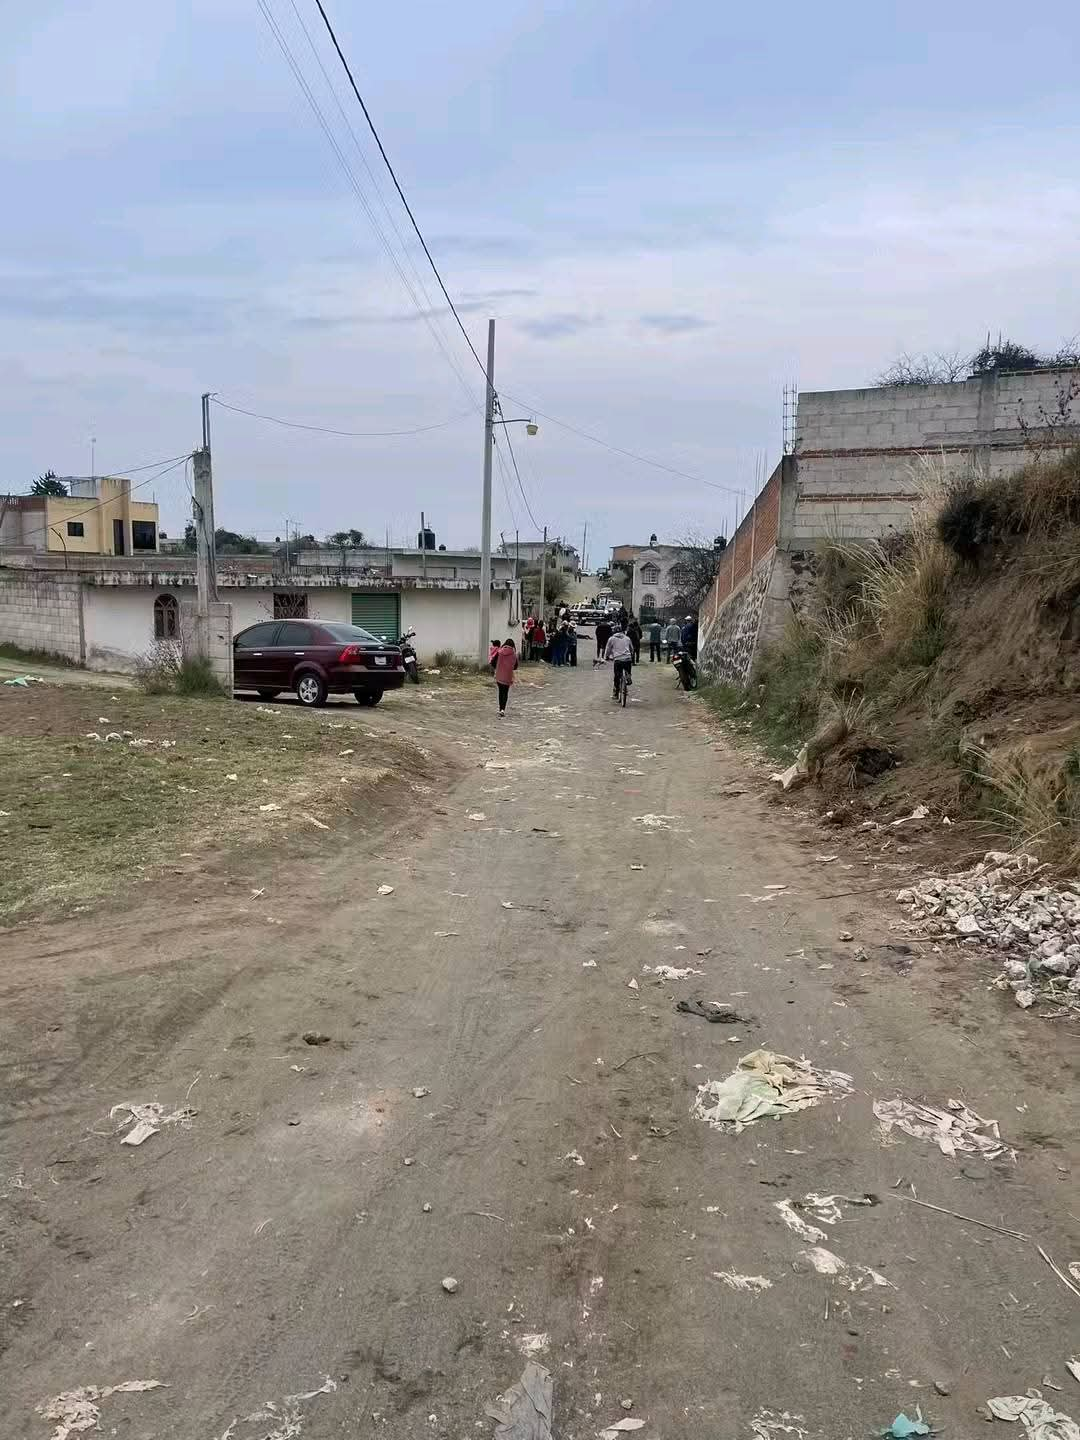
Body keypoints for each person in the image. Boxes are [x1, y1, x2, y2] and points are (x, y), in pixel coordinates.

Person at [603, 624, 634, 700]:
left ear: (613, 631)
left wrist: (606, 657)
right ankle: (628, 675)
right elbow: (632, 649)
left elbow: (608, 649)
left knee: (617, 677)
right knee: (627, 669)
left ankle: (616, 694)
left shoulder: (611, 639)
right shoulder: (627, 638)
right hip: (627, 658)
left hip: (618, 659)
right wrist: (631, 654)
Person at [494, 638, 518, 716]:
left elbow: (493, 662)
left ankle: (500, 708)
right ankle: (503, 709)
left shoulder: (499, 652)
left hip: (499, 675)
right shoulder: (514, 654)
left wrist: (498, 667)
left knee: (500, 692)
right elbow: (515, 666)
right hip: (508, 676)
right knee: (505, 692)